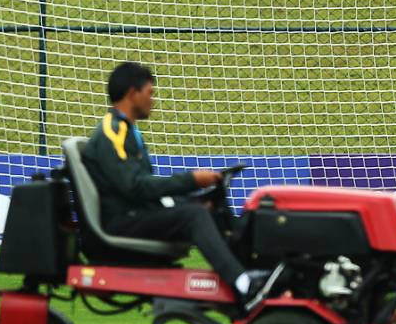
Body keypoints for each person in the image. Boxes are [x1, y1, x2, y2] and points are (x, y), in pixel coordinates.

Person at [82, 61, 268, 307]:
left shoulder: (125, 130)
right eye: (150, 93)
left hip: (135, 213)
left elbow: (142, 189)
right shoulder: (112, 133)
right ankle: (244, 285)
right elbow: (135, 187)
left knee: (208, 210)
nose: (153, 100)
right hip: (121, 222)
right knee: (194, 216)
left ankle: (260, 275)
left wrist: (193, 198)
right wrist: (191, 181)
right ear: (131, 93)